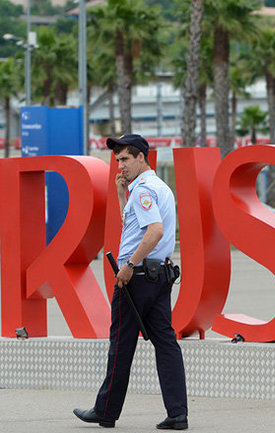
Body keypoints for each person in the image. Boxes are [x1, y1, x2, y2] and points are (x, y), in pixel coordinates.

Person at [74, 134, 188, 430]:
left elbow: (154, 231)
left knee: (121, 344)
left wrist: (128, 265)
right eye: (117, 160)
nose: (120, 165)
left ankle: (105, 411)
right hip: (159, 275)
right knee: (166, 343)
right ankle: (178, 413)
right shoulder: (158, 187)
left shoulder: (144, 190)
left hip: (136, 279)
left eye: (125, 158)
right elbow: (136, 229)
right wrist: (122, 195)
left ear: (141, 157)